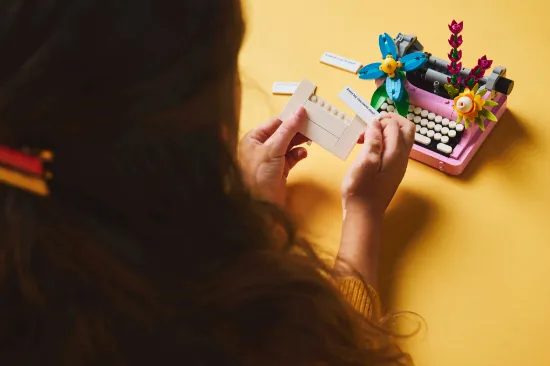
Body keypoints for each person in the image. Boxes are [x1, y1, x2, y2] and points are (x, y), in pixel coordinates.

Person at [0, 0, 416, 365]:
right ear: (205, 134)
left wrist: (254, 209)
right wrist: (363, 213)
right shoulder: (205, 330)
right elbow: (341, 354)